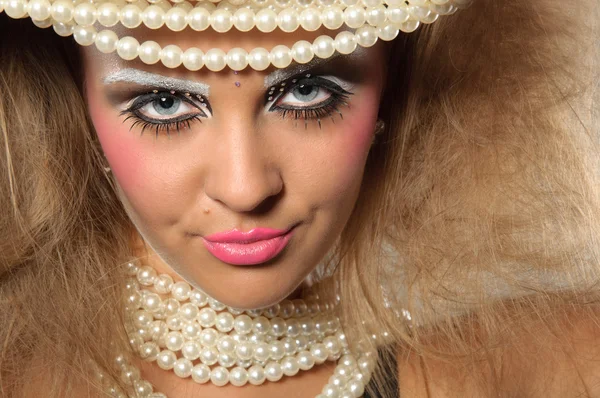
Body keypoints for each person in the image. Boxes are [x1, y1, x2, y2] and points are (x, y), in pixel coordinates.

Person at [0, 0, 597, 396]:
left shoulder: (541, 363)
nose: (245, 187)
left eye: (307, 90)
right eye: (163, 103)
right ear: (74, 104)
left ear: (393, 88)